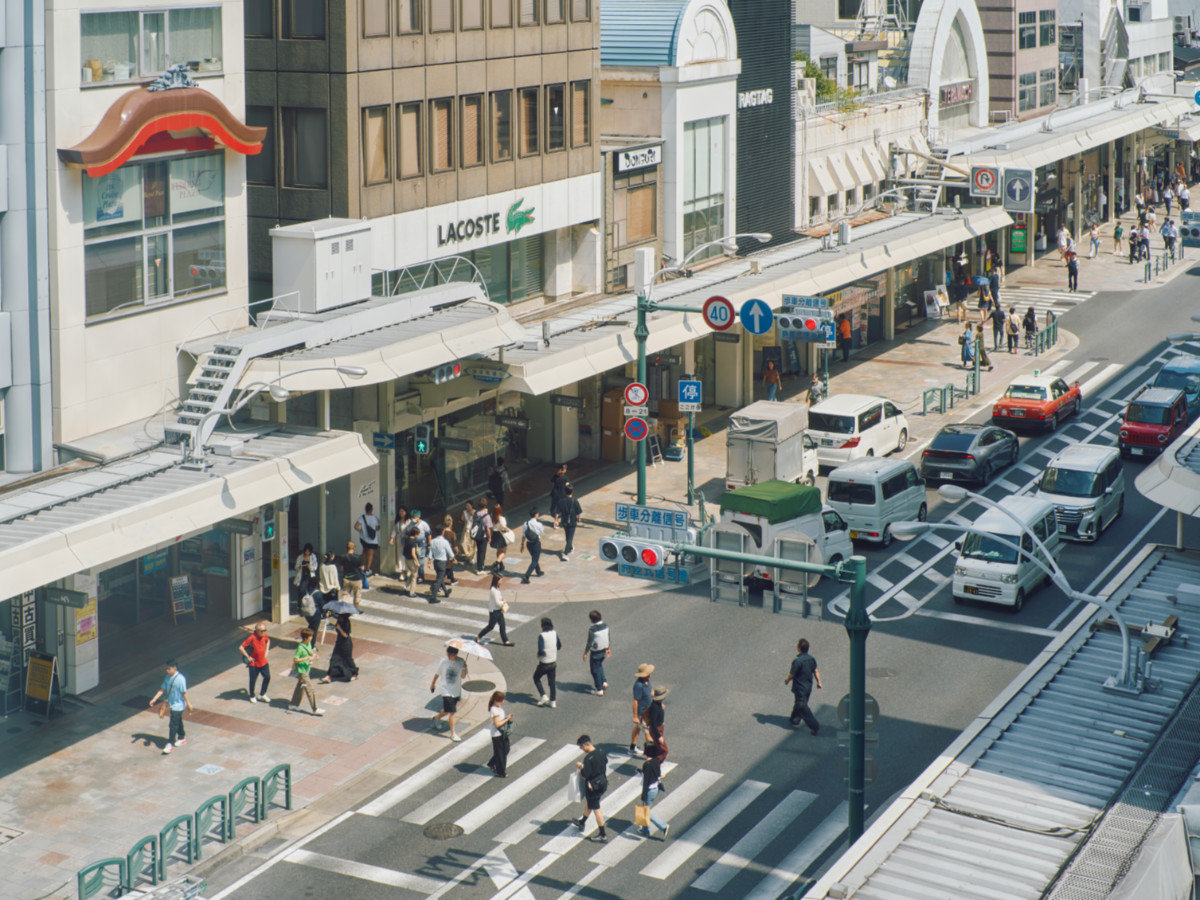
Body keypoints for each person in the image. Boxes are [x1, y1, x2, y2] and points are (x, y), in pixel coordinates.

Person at [149, 660, 193, 754]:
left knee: (173, 725)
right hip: (172, 703)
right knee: (178, 721)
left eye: (169, 669)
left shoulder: (180, 679)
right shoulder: (167, 677)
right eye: (167, 668)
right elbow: (162, 689)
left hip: (179, 705)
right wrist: (154, 699)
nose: (167, 670)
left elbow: (184, 693)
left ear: (175, 668)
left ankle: (170, 744)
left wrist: (188, 704)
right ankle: (182, 737)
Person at [574, 735, 609, 842]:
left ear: (585, 745)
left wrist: (581, 767)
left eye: (581, 747)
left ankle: (602, 834)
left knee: (596, 809)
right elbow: (605, 761)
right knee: (589, 803)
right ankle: (582, 822)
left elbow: (585, 774)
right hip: (603, 782)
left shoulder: (588, 758)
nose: (582, 749)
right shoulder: (601, 751)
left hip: (593, 786)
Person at [784, 638, 823, 735]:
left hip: (800, 688)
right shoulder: (811, 659)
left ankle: (815, 726)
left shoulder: (797, 661)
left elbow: (792, 674)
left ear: (799, 648)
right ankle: (795, 719)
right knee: (800, 703)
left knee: (802, 706)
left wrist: (787, 680)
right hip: (808, 687)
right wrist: (819, 682)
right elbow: (815, 671)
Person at [430, 644, 467, 741]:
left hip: (456, 691)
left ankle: (436, 718)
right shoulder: (443, 662)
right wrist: (433, 684)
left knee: (447, 710)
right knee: (452, 712)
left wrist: (464, 668)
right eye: (448, 654)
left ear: (456, 654)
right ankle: (453, 734)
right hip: (446, 690)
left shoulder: (461, 662)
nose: (449, 656)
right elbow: (437, 674)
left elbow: (463, 676)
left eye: (452, 655)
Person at [288, 629, 325, 716]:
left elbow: (310, 652)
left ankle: (293, 704)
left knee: (300, 688)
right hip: (302, 671)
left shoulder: (308, 644)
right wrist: (306, 658)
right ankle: (315, 709)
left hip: (306, 669)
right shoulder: (300, 648)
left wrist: (314, 655)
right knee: (310, 689)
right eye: (310, 636)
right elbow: (295, 659)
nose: (311, 637)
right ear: (305, 638)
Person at [638, 742, 670, 838]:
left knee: (645, 812)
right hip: (655, 788)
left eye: (644, 748)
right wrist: (641, 771)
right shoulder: (656, 761)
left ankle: (663, 826)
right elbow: (656, 774)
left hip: (649, 790)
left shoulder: (647, 764)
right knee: (645, 809)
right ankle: (645, 830)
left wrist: (643, 795)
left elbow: (646, 782)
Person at [321, 613, 359, 682]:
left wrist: (339, 628)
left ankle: (354, 673)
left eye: (341, 616)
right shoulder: (339, 620)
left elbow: (346, 635)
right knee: (334, 658)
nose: (339, 617)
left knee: (348, 659)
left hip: (346, 644)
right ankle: (328, 676)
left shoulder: (347, 622)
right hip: (339, 642)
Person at [533, 617, 562, 708]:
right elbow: (559, 646)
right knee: (552, 683)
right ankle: (553, 701)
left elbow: (541, 650)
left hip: (544, 663)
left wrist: (539, 655)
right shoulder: (554, 633)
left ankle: (543, 696)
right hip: (553, 662)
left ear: (542, 626)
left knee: (536, 678)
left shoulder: (542, 636)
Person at [477, 573, 513, 645]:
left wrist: (501, 599)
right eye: (500, 580)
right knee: (491, 626)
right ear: (497, 580)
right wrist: (503, 602)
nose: (501, 582)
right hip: (494, 611)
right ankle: (479, 636)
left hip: (498, 610)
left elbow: (498, 598)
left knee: (502, 625)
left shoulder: (497, 588)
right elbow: (497, 603)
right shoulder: (494, 590)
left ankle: (505, 641)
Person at [240, 622, 271, 702]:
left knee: (267, 677)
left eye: (264, 630)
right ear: (257, 631)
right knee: (253, 680)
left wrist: (267, 650)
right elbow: (241, 647)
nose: (263, 632)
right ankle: (252, 695)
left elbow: (268, 641)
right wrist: (248, 657)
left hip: (263, 662)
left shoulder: (264, 635)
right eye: (261, 631)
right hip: (254, 664)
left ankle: (262, 694)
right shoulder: (252, 638)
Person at [583, 610, 610, 696]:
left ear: (592, 620)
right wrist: (608, 648)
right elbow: (608, 638)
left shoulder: (592, 629)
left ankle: (599, 689)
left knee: (594, 670)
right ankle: (604, 682)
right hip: (604, 649)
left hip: (595, 652)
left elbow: (589, 642)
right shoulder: (606, 626)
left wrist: (585, 653)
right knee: (599, 666)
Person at [486, 691, 513, 778]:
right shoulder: (494, 710)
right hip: (497, 734)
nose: (502, 702)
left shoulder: (498, 707)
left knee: (506, 750)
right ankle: (500, 772)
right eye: (501, 700)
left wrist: (506, 719)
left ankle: (492, 763)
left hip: (502, 733)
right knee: (501, 754)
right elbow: (497, 724)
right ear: (496, 700)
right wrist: (507, 719)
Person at [630, 663, 654, 756]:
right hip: (642, 713)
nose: (650, 675)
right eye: (648, 673)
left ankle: (632, 747)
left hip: (648, 711)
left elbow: (651, 691)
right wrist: (635, 716)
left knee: (638, 728)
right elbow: (635, 701)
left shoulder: (647, 681)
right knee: (648, 732)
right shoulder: (638, 685)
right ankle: (652, 754)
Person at [354, 503, 381, 578]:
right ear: (372, 509)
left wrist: (361, 531)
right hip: (372, 540)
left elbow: (355, 526)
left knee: (364, 552)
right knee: (370, 555)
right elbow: (377, 528)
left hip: (363, 539)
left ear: (365, 509)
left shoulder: (362, 517)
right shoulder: (375, 518)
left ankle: (363, 567)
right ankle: (368, 570)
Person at [520, 508, 545, 584]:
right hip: (536, 543)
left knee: (534, 558)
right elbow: (541, 533)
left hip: (528, 544)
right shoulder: (539, 524)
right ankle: (527, 576)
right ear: (536, 514)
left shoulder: (526, 523)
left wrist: (522, 544)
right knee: (535, 560)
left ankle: (538, 571)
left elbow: (523, 535)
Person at [428, 527, 453, 602]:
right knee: (439, 579)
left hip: (435, 561)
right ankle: (433, 597)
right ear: (442, 532)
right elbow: (450, 552)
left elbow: (430, 552)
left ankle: (446, 592)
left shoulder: (433, 541)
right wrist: (453, 558)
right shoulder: (445, 542)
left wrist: (429, 558)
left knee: (440, 578)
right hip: (442, 562)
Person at [559, 485, 582, 562]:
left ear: (565, 492)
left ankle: (571, 547)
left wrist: (556, 520)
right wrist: (579, 518)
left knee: (567, 535)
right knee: (570, 538)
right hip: (572, 521)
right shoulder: (574, 501)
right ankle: (565, 553)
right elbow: (578, 511)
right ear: (572, 491)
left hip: (564, 521)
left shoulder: (561, 501)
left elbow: (557, 511)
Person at [339, 541, 365, 609]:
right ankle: (355, 609)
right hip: (357, 578)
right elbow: (362, 568)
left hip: (346, 578)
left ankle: (345, 609)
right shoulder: (358, 557)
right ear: (354, 548)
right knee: (357, 596)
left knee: (346, 595)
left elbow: (341, 568)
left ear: (346, 548)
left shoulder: (343, 557)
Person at [644, 686, 668, 757]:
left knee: (658, 749)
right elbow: (653, 723)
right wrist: (659, 736)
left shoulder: (657, 704)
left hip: (659, 728)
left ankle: (653, 762)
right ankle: (654, 763)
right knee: (664, 751)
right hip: (657, 730)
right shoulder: (655, 707)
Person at [471, 499, 493, 573]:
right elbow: (488, 529)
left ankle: (478, 566)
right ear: (485, 505)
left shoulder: (476, 513)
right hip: (483, 536)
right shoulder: (486, 516)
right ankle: (480, 569)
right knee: (482, 552)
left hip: (477, 535)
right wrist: (490, 538)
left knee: (479, 551)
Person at [410, 510, 431, 584]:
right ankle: (415, 575)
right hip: (413, 545)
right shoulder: (411, 524)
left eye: (414, 517)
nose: (413, 518)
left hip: (422, 546)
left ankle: (421, 576)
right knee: (414, 561)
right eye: (412, 517)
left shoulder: (424, 524)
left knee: (420, 562)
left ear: (418, 516)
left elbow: (429, 535)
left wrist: (429, 544)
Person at [401, 524, 421, 596]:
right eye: (418, 534)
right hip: (412, 561)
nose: (418, 535)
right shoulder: (413, 542)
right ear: (415, 534)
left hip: (406, 559)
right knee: (414, 576)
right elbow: (413, 554)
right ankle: (412, 592)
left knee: (412, 574)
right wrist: (417, 562)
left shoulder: (407, 539)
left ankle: (405, 587)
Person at [490, 504, 510, 573]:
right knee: (503, 551)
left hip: (494, 534)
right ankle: (496, 563)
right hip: (500, 535)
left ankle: (501, 565)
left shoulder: (492, 518)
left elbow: (491, 527)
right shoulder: (501, 518)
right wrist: (507, 530)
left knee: (498, 551)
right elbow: (503, 526)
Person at [459, 500, 477, 565]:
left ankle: (472, 557)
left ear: (472, 506)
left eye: (468, 506)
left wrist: (473, 515)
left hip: (472, 530)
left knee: (472, 544)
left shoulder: (475, 512)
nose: (467, 507)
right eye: (466, 506)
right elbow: (462, 519)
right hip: (466, 530)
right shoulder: (464, 512)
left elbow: (477, 520)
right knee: (463, 543)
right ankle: (468, 555)